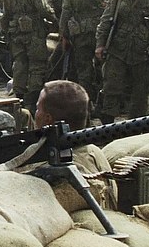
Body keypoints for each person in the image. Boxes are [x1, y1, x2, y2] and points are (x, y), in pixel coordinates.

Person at [32, 80, 116, 209]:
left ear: (48, 119)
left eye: (38, 109)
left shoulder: (51, 167)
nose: (35, 113)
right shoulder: (94, 151)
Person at [95, 0, 149, 123]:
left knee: (141, 94)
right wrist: (100, 44)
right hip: (118, 49)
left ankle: (136, 127)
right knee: (111, 89)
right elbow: (106, 20)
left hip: (143, 52)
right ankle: (106, 127)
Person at [59, 0, 114, 112]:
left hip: (79, 34)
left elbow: (65, 13)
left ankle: (86, 106)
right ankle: (103, 105)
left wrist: (64, 36)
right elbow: (113, 8)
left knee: (83, 71)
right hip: (100, 34)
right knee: (104, 69)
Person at [1, 0, 56, 115]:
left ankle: (18, 98)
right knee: (37, 66)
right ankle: (31, 102)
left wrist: (6, 33)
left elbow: (5, 15)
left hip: (15, 32)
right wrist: (56, 20)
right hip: (34, 33)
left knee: (19, 63)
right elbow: (43, 9)